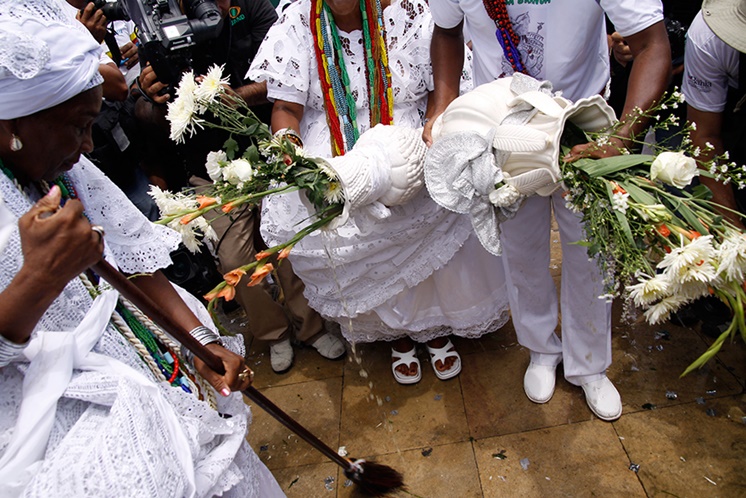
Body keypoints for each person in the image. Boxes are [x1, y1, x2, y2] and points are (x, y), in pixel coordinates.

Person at [0, 3, 284, 496]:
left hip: (144, 361)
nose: (88, 146)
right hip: (62, 433)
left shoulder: (65, 168)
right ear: (10, 127)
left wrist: (199, 341)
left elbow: (135, 262)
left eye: (91, 125)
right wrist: (37, 282)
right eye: (76, 126)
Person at [425, 0, 671, 419]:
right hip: (504, 130)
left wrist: (621, 137)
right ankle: (541, 348)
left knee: (592, 249)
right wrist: (443, 105)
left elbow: (651, 43)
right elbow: (447, 31)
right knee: (521, 246)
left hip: (585, 125)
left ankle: (589, 364)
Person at [248, 0, 511, 384]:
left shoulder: (407, 9)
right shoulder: (297, 20)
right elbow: (287, 106)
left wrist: (435, 125)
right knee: (350, 237)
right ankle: (394, 336)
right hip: (335, 146)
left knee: (429, 215)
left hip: (403, 132)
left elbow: (447, 75)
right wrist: (293, 156)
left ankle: (434, 327)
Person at [137, 0, 345, 373]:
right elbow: (151, 113)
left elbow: (285, 79)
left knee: (288, 243)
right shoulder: (159, 20)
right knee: (235, 259)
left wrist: (236, 97)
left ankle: (311, 327)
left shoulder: (253, 6)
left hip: (264, 145)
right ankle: (274, 333)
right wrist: (146, 93)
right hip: (206, 165)